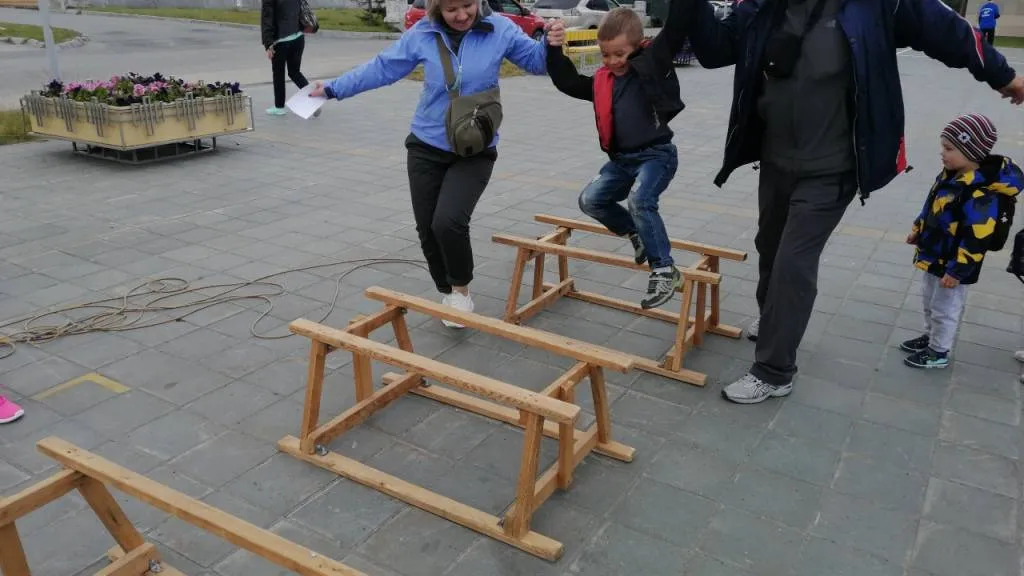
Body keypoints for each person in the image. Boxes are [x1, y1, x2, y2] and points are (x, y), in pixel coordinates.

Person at [680, 0, 1024, 404]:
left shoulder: (877, 5)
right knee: (770, 249)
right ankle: (776, 320)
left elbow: (946, 29)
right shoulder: (765, 6)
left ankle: (773, 371)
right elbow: (716, 49)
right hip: (776, 160)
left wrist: (1003, 75)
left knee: (794, 261)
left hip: (834, 166)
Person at [309, 0, 548, 327]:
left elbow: (536, 62)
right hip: (426, 145)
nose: (462, 15)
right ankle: (447, 289)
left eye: (468, 5)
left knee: (447, 221)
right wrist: (333, 89)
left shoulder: (500, 29)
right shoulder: (422, 33)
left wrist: (552, 40)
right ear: (437, 7)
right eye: (452, 9)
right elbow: (382, 68)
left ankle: (461, 292)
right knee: (427, 228)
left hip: (476, 147)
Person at [543, 3, 689, 310]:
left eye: (620, 54)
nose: (612, 61)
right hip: (622, 161)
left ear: (637, 47)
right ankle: (635, 232)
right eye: (605, 54)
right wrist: (555, 49)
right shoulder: (603, 81)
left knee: (640, 200)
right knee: (591, 200)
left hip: (657, 156)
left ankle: (664, 269)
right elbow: (568, 82)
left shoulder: (652, 64)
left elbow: (675, 31)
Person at [902, 113, 1021, 369]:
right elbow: (931, 205)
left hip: (955, 264)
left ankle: (939, 351)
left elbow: (977, 238)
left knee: (945, 308)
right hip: (934, 253)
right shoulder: (950, 174)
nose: (942, 154)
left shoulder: (981, 194)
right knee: (929, 300)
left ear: (973, 152)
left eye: (949, 148)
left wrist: (958, 270)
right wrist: (918, 228)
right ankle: (930, 336)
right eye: (942, 147)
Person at [262, 0, 318, 116]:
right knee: (295, 72)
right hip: (298, 38)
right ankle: (314, 100)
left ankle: (279, 107)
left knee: (278, 74)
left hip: (281, 41)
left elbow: (267, 18)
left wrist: (268, 43)